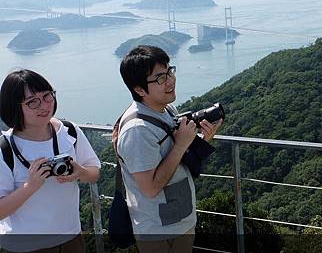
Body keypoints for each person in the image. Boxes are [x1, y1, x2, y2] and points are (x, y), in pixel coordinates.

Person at [116, 45, 223, 253]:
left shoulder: (166, 109)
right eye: (160, 78)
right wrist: (182, 144)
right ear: (139, 89)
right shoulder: (137, 131)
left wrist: (201, 139)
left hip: (180, 220)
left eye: (169, 72)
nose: (170, 81)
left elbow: (179, 159)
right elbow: (150, 188)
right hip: (159, 230)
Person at [0, 69, 101, 253]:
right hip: (24, 246)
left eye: (47, 96)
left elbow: (94, 172)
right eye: (32, 102)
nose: (44, 105)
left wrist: (80, 173)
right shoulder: (4, 149)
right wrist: (30, 186)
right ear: (14, 107)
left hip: (71, 238)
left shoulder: (69, 132)